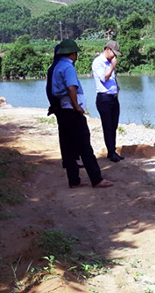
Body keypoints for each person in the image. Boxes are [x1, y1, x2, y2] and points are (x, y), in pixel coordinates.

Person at [47, 39, 113, 188]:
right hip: (71, 111)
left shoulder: (56, 66)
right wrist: (77, 107)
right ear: (72, 53)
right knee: (85, 147)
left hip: (62, 112)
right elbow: (71, 88)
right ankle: (97, 179)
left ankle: (74, 180)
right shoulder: (68, 67)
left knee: (68, 148)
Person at [92, 39, 123, 162]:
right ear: (107, 50)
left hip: (113, 98)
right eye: (114, 53)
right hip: (104, 99)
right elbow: (104, 78)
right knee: (107, 125)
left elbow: (111, 79)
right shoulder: (98, 62)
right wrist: (112, 66)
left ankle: (113, 151)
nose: (115, 56)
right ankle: (110, 152)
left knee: (114, 125)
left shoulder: (109, 62)